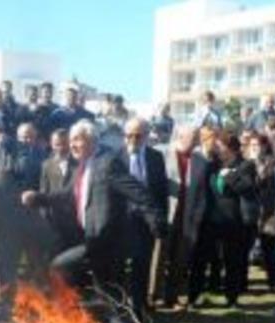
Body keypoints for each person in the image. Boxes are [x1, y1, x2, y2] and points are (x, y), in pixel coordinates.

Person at [21, 120, 166, 293]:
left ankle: (107, 313)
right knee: (100, 287)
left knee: (62, 266)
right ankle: (98, 314)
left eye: (76, 140)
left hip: (106, 240)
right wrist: (37, 198)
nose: (71, 145)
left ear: (90, 141)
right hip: (91, 238)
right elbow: (66, 194)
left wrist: (156, 219)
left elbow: (139, 193)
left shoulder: (107, 164)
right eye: (71, 140)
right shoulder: (83, 166)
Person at [0, 119, 49, 320]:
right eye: (22, 136)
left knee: (36, 265)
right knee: (3, 264)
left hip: (30, 219)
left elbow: (39, 185)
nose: (26, 140)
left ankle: (36, 306)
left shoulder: (41, 157)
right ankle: (7, 306)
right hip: (2, 219)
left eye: (29, 137)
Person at [190, 134, 258, 308]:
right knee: (201, 259)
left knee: (232, 261)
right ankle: (195, 296)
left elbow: (248, 189)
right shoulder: (211, 165)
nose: (217, 149)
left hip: (234, 221)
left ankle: (232, 298)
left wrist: (230, 176)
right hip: (210, 220)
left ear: (232, 149)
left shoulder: (246, 165)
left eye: (220, 146)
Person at [123, 118, 168, 320]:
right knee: (125, 264)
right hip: (124, 220)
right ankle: (124, 305)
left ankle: (139, 306)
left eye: (138, 135)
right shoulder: (116, 158)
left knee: (143, 263)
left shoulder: (156, 157)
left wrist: (160, 218)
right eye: (129, 135)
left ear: (146, 136)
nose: (133, 139)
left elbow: (161, 190)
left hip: (147, 220)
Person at [161, 125, 208, 309]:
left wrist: (197, 218)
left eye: (197, 137)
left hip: (187, 219)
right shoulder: (162, 154)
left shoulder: (200, 161)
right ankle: (152, 296)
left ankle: (172, 296)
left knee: (180, 260)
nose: (196, 140)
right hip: (166, 215)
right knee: (159, 259)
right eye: (193, 136)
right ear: (180, 136)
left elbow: (202, 193)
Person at [244, 132, 275, 292]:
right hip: (249, 212)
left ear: (265, 146)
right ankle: (241, 282)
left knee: (270, 249)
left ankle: (274, 282)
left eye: (258, 145)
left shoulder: (273, 164)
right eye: (252, 146)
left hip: (269, 212)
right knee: (245, 249)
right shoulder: (245, 163)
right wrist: (251, 164)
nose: (255, 148)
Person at [39, 129, 81, 253]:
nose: (61, 147)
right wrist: (45, 218)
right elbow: (44, 192)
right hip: (55, 221)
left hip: (76, 220)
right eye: (57, 144)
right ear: (51, 144)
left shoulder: (80, 163)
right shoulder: (46, 165)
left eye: (64, 143)